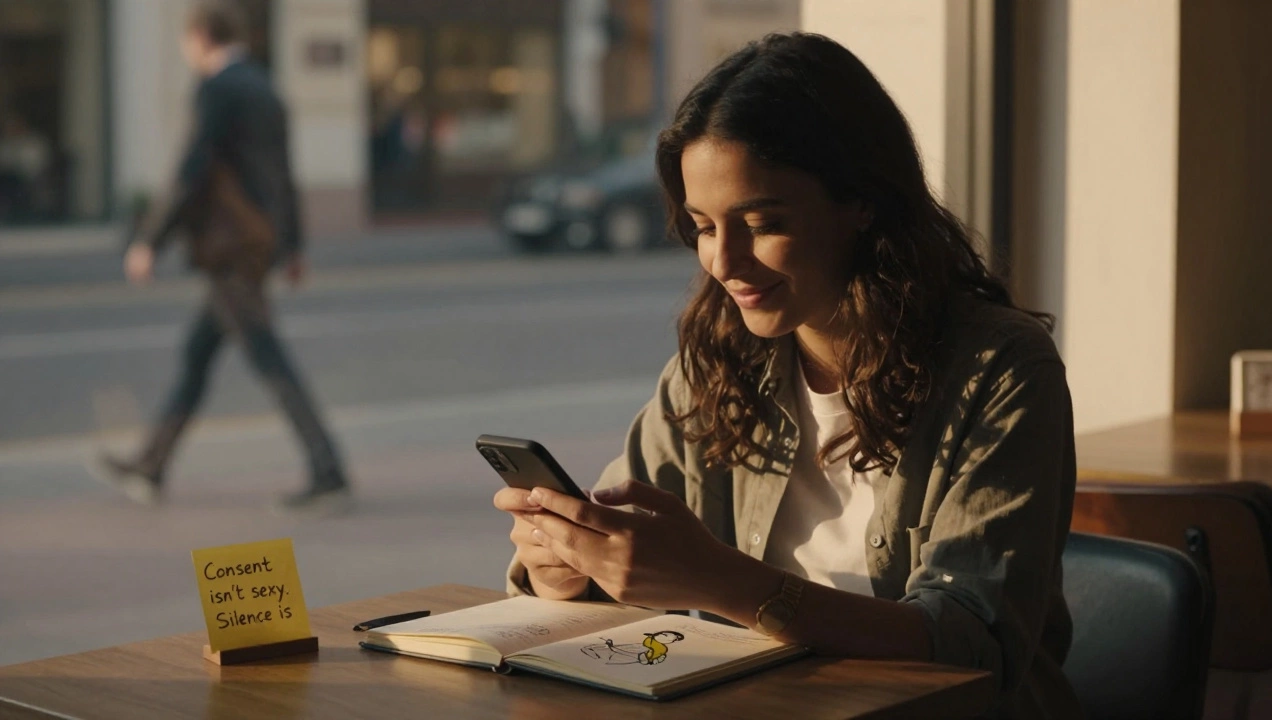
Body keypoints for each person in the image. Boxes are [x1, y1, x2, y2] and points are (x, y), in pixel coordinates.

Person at [495, 32, 1081, 718]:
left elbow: (972, 645)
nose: (724, 262)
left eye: (762, 222)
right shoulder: (720, 361)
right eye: (704, 226)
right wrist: (567, 566)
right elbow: (630, 581)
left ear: (860, 200)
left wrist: (728, 583)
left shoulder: (1002, 371)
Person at [99, 0, 350, 515]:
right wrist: (293, 245)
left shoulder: (216, 88)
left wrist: (150, 239)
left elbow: (190, 169)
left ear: (199, 37)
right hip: (256, 246)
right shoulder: (266, 87)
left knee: (268, 358)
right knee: (196, 356)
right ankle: (151, 465)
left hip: (230, 249)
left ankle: (329, 472)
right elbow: (284, 173)